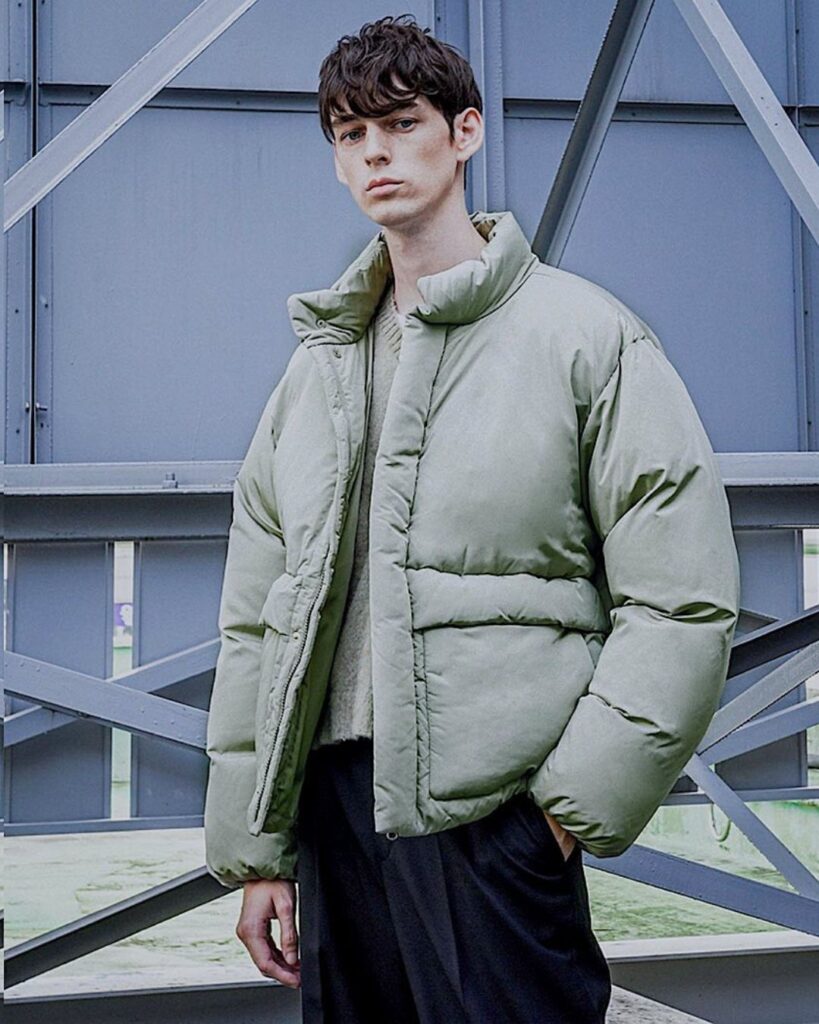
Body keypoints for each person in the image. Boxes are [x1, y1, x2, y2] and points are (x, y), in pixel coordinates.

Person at [203, 13, 741, 1022]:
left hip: (496, 819)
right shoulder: (314, 374)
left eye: (400, 123)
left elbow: (682, 601)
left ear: (465, 132)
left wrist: (559, 817)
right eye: (350, 134)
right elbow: (255, 624)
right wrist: (258, 849)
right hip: (334, 816)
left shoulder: (586, 338)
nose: (375, 152)